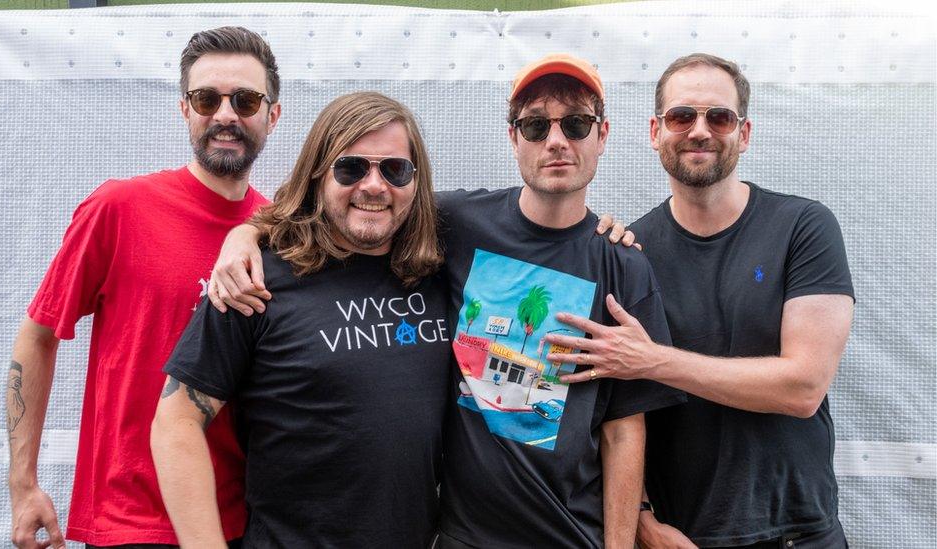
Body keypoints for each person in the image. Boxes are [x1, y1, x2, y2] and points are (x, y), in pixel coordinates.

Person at [208, 54, 684, 548]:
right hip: (461, 536)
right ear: (513, 137)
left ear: (602, 136)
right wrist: (243, 234)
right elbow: (341, 203)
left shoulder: (624, 265)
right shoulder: (455, 221)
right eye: (537, 125)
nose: (557, 141)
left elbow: (624, 429)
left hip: (571, 535)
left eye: (577, 124)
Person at [550, 53, 855, 548]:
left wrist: (652, 361)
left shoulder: (803, 227)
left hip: (800, 534)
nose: (699, 130)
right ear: (655, 131)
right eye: (681, 116)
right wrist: (643, 520)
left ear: (745, 133)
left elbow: (803, 388)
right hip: (685, 538)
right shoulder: (630, 254)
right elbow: (618, 415)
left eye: (719, 117)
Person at [6, 26, 281, 549]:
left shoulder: (279, 234)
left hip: (239, 522)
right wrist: (23, 485)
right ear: (185, 109)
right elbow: (38, 337)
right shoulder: (119, 209)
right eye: (207, 98)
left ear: (273, 114)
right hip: (128, 522)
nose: (226, 114)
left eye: (245, 99)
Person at [151, 91, 452, 548]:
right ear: (318, 174)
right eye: (351, 168)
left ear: (416, 181)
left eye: (395, 169)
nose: (374, 186)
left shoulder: (441, 273)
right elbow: (175, 422)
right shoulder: (254, 280)